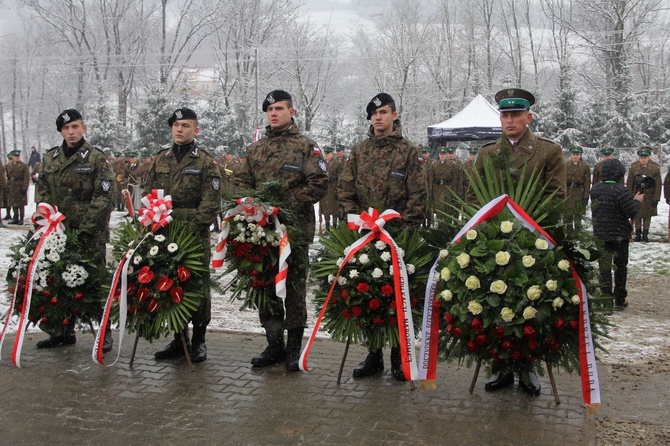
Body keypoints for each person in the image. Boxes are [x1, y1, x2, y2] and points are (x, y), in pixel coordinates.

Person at [473, 88, 566, 396]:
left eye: (516, 115)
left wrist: (535, 229)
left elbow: (556, 196)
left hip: (532, 240)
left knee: (531, 306)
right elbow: (475, 196)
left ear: (529, 116)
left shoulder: (547, 152)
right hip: (494, 242)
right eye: (505, 115)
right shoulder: (487, 153)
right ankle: (500, 366)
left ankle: (527, 369)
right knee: (494, 305)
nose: (510, 120)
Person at [236, 89, 328, 371]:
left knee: (294, 288)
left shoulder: (305, 146)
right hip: (261, 234)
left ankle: (294, 348)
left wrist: (285, 204)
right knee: (266, 288)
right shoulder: (255, 150)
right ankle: (274, 344)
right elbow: (241, 185)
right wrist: (252, 205)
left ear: (292, 112)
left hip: (294, 232)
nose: (273, 113)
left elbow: (320, 182)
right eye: (269, 109)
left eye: (279, 108)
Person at [338, 92, 426, 381]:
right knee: (368, 293)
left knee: (399, 297)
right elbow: (346, 190)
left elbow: (417, 195)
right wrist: (358, 223)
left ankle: (399, 358)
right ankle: (373, 354)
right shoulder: (359, 151)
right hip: (365, 236)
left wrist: (405, 231)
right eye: (374, 114)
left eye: (384, 112)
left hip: (398, 237)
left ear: (394, 115)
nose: (378, 118)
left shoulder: (408, 151)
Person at [36, 109, 115, 351]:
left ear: (84, 128)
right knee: (58, 280)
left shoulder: (96, 158)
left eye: (75, 127)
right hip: (58, 232)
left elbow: (104, 198)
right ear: (61, 131)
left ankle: (104, 332)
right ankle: (62, 330)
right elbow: (42, 192)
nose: (71, 132)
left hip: (89, 233)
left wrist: (85, 230)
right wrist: (44, 220)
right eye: (66, 128)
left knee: (95, 282)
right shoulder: (50, 158)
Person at [147, 108, 222, 363]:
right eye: (176, 125)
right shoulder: (159, 160)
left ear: (196, 130)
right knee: (170, 282)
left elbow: (211, 202)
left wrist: (193, 227)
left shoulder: (205, 161)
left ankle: (199, 340)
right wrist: (153, 222)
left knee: (197, 286)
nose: (180, 129)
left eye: (186, 125)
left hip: (193, 234)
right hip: (164, 232)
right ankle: (179, 339)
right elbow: (150, 195)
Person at [591, 159, 642, 309]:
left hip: (601, 233)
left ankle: (606, 299)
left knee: (604, 267)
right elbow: (631, 211)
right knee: (620, 267)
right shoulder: (621, 191)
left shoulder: (595, 189)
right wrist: (637, 201)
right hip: (620, 235)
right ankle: (620, 297)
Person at [627, 147, 661, 242]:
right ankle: (638, 233)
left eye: (645, 157)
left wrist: (656, 198)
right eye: (641, 157)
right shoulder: (634, 168)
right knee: (637, 214)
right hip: (637, 194)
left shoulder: (655, 169)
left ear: (649, 157)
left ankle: (645, 233)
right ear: (639, 158)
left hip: (649, 195)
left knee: (647, 215)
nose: (643, 159)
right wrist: (630, 195)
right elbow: (630, 183)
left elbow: (658, 185)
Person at [427, 146, 462, 226]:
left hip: (448, 189)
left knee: (448, 210)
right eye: (440, 154)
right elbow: (431, 180)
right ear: (438, 155)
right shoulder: (434, 165)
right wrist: (430, 192)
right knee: (439, 210)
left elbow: (455, 180)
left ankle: (448, 227)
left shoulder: (452, 165)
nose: (442, 156)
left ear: (446, 155)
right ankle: (440, 227)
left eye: (444, 154)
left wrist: (455, 192)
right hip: (437, 190)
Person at [563, 147, 591, 230]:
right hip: (568, 192)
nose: (575, 156)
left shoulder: (585, 166)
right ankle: (569, 231)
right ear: (571, 155)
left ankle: (577, 231)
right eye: (573, 154)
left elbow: (587, 183)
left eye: (577, 154)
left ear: (580, 155)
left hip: (579, 192)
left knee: (578, 214)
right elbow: (562, 180)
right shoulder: (565, 165)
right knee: (568, 214)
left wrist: (586, 197)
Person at [319, 146, 343, 231]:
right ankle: (327, 227)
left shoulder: (337, 163)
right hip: (325, 190)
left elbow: (340, 177)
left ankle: (335, 227)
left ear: (332, 154)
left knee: (335, 211)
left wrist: (338, 189)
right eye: (325, 153)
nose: (326, 155)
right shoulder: (323, 163)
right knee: (326, 211)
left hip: (333, 189)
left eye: (328, 153)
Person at [6, 150, 29, 225]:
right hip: (12, 186)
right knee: (13, 203)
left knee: (21, 204)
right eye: (16, 156)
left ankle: (21, 219)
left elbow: (26, 178)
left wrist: (25, 187)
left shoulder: (23, 165)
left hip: (20, 185)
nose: (17, 157)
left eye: (18, 156)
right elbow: (8, 177)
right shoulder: (9, 166)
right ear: (12, 157)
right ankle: (15, 218)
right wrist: (7, 186)